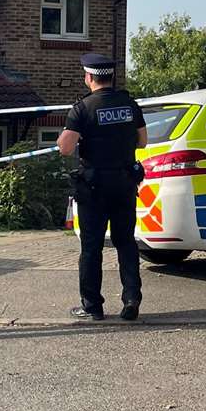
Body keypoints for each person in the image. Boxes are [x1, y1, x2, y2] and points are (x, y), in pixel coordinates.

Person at [57, 52, 148, 321]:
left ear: (89, 77)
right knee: (125, 243)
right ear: (111, 77)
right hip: (124, 183)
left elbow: (65, 147)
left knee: (92, 247)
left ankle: (92, 305)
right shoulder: (129, 104)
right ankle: (131, 298)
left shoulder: (82, 109)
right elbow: (142, 141)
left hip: (94, 186)